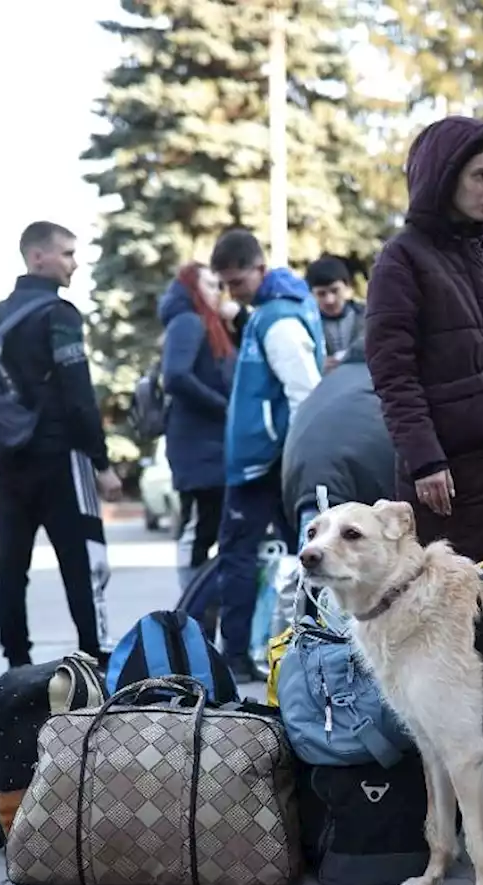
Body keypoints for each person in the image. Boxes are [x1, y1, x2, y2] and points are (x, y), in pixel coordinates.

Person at [365, 116, 483, 567]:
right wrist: (425, 461)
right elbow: (394, 375)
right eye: (481, 175)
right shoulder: (401, 260)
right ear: (445, 177)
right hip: (450, 484)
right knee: (459, 618)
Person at [0, 221, 121, 669]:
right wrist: (101, 463)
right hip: (62, 459)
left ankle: (17, 665)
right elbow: (78, 395)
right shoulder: (59, 314)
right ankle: (95, 660)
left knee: (11, 567)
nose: (74, 262)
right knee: (84, 565)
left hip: (9, 459)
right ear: (37, 257)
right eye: (66, 253)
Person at [211, 228, 325, 681]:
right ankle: (292, 654)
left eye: (237, 282)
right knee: (302, 554)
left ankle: (236, 656)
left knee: (240, 556)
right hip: (269, 457)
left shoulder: (278, 320)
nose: (231, 293)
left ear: (261, 269)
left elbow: (305, 393)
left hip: (267, 461)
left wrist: (294, 454)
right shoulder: (272, 313)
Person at [159, 262, 240, 590]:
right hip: (199, 447)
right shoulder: (188, 322)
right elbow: (175, 376)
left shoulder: (211, 324)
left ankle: (202, 604)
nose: (217, 292)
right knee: (200, 528)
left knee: (210, 527)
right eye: (209, 285)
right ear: (192, 288)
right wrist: (226, 408)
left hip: (210, 446)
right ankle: (191, 609)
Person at [281, 341, 396, 543]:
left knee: (320, 558)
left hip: (307, 472)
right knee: (324, 563)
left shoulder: (339, 376)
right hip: (331, 477)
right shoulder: (389, 380)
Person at [305, 254, 366, 374]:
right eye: (321, 294)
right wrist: (317, 364)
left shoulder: (369, 318)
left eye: (335, 291)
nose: (330, 300)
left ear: (347, 287)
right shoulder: (306, 325)